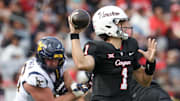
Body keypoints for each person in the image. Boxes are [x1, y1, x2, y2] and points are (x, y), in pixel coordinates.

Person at [68, 5, 157, 101]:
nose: (126, 25)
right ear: (107, 25)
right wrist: (75, 34)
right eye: (120, 22)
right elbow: (82, 64)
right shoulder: (97, 47)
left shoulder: (130, 45)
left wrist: (150, 63)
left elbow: (144, 81)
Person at [14, 36, 90, 101]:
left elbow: (69, 83)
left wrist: (76, 87)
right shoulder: (34, 76)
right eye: (49, 59)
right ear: (42, 58)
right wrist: (76, 94)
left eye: (56, 59)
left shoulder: (59, 63)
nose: (53, 62)